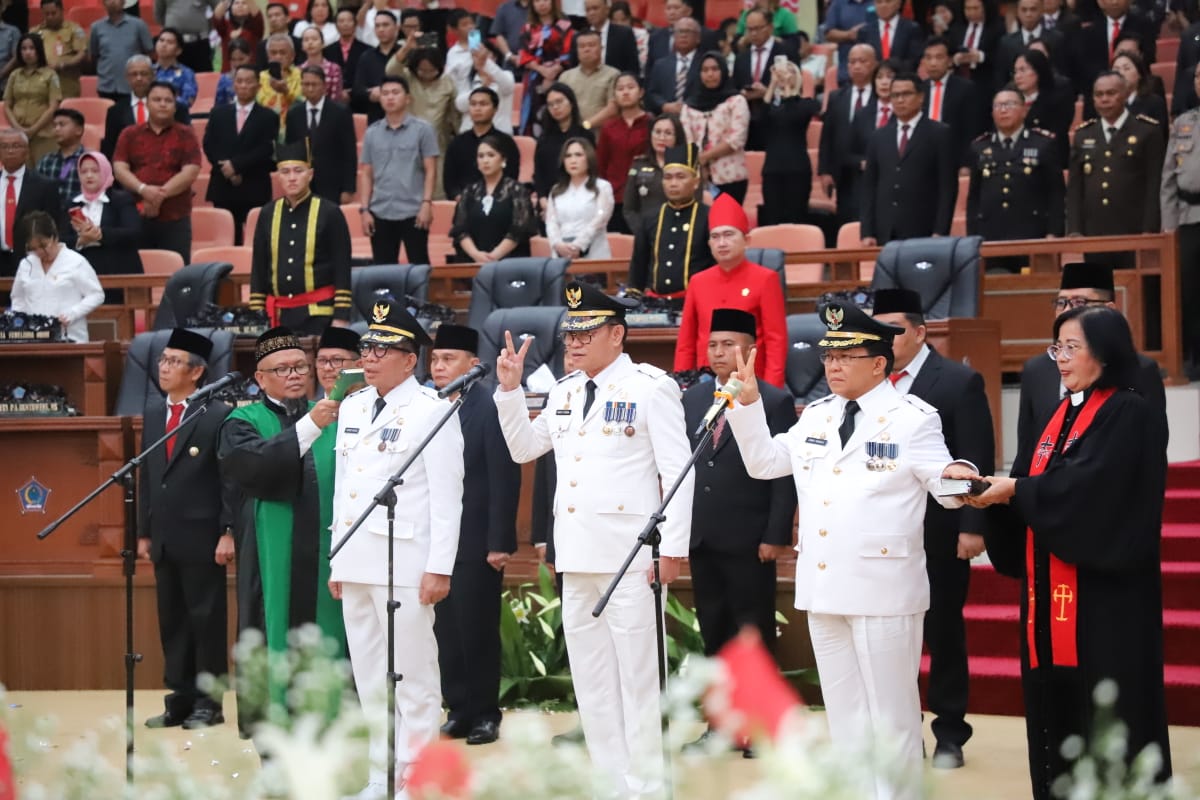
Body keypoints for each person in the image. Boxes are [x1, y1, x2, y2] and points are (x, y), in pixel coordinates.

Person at [724, 301, 979, 799]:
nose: (833, 367)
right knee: (844, 715)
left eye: (847, 357)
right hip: (825, 586)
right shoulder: (818, 414)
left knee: (892, 717)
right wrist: (749, 406)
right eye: (828, 358)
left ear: (880, 363)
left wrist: (961, 479)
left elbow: (942, 482)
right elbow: (765, 462)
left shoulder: (911, 418)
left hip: (884, 589)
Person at [493, 280, 695, 796]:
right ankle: (611, 779)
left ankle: (648, 784)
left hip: (632, 558)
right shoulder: (562, 391)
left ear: (618, 335)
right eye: (570, 335)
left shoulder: (651, 387)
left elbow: (678, 473)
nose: (574, 343)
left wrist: (672, 548)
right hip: (577, 556)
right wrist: (511, 391)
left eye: (587, 333)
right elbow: (524, 450)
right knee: (593, 678)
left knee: (639, 678)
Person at [969, 305, 1172, 800]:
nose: (1059, 358)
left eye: (1071, 347)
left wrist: (1016, 491)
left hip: (1107, 601)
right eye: (1056, 347)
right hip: (1054, 592)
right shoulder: (1066, 409)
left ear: (1105, 351)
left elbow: (1089, 492)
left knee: (1107, 709)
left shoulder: (1128, 410)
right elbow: (1039, 480)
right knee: (1057, 706)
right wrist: (991, 491)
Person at [328, 301, 464, 800]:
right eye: (367, 346)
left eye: (383, 348)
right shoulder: (353, 405)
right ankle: (380, 777)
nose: (370, 355)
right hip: (357, 559)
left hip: (405, 561)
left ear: (411, 360)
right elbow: (345, 488)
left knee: (414, 677)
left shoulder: (432, 411)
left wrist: (439, 567)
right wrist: (336, 556)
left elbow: (449, 495)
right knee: (368, 678)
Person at [870, 288, 995, 770]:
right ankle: (900, 732)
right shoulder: (870, 383)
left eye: (895, 329)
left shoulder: (958, 381)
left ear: (920, 332)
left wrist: (973, 522)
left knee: (942, 632)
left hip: (940, 530)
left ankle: (949, 731)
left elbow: (976, 454)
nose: (886, 339)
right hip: (882, 534)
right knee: (890, 636)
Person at [218, 326, 348, 731]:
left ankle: (334, 723)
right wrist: (309, 425)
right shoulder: (243, 420)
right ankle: (275, 727)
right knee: (272, 627)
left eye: (299, 366)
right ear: (260, 378)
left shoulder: (338, 416)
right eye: (282, 369)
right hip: (272, 555)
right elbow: (254, 468)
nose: (294, 374)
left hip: (330, 554)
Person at [682, 307, 795, 665]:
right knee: (712, 625)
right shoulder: (693, 399)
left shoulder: (775, 400)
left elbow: (782, 471)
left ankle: (757, 717)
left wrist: (775, 534)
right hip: (702, 535)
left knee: (752, 628)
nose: (717, 352)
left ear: (750, 350)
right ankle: (720, 716)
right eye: (712, 344)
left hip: (750, 538)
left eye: (728, 344)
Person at [137, 328, 234, 731]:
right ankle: (179, 697)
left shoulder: (216, 415)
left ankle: (209, 703)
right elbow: (148, 475)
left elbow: (229, 479)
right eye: (163, 360)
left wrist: (228, 530)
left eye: (174, 362)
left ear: (196, 374)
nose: (164, 367)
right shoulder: (154, 414)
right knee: (172, 621)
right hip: (164, 537)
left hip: (203, 537)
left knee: (205, 620)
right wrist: (143, 530)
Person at [429, 324, 521, 747]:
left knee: (476, 629)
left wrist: (500, 540)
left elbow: (505, 474)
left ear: (474, 365)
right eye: (434, 359)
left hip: (476, 539)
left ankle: (485, 712)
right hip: (435, 540)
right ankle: (459, 708)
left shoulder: (487, 406)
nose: (439, 366)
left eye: (449, 359)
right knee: (444, 630)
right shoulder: (430, 406)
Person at [1015, 262, 1166, 455]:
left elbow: (1152, 450)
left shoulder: (1140, 370)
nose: (1067, 311)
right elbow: (1026, 448)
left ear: (1109, 310)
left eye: (1079, 303)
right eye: (1061, 303)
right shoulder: (1036, 371)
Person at [674, 192, 786, 385]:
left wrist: (771, 389)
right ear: (709, 243)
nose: (722, 243)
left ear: (747, 240)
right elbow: (686, 342)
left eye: (729, 234)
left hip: (750, 378)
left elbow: (776, 340)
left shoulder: (766, 279)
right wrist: (681, 383)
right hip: (706, 378)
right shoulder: (698, 281)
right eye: (715, 237)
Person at [250, 140, 352, 334]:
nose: (292, 178)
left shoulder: (329, 212)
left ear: (310, 174)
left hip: (319, 313)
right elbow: (259, 268)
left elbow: (342, 267)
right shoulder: (267, 213)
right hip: (277, 316)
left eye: (298, 171)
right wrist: (257, 315)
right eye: (285, 172)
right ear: (278, 177)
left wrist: (341, 316)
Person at [965, 86, 1064, 260]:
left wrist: (1054, 233)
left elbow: (1056, 193)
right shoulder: (979, 146)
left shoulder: (1043, 144)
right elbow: (974, 197)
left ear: (1024, 110)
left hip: (1032, 233)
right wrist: (972, 236)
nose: (1003, 110)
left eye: (1009, 105)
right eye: (998, 106)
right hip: (990, 234)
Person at [1066, 72, 1164, 243]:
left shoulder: (1146, 131)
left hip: (1134, 229)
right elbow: (1075, 187)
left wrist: (1150, 228)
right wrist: (1075, 229)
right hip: (1094, 231)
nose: (1104, 99)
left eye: (1111, 93)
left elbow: (1154, 185)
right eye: (1099, 94)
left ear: (1125, 94)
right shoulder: (1083, 135)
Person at [861, 72, 957, 246]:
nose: (899, 100)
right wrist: (867, 231)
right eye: (895, 95)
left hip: (924, 229)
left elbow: (947, 188)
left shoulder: (940, 133)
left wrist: (940, 231)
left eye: (906, 94)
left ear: (921, 97)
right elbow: (869, 187)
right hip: (885, 231)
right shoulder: (879, 136)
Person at [112, 81, 201, 263]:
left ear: (175, 107)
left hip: (176, 216)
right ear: (147, 104)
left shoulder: (186, 134)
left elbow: (191, 170)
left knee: (177, 274)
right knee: (138, 272)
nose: (162, 104)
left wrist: (159, 195)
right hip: (135, 216)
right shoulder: (129, 134)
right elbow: (119, 168)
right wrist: (143, 189)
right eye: (157, 99)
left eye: (168, 100)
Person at [360, 75, 439, 266]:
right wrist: (364, 210)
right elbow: (366, 173)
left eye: (395, 93)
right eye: (385, 93)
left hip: (414, 210)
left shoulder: (423, 130)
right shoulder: (372, 132)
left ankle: (419, 298)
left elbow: (431, 170)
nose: (390, 98)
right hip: (380, 210)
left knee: (419, 266)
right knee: (383, 269)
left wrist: (427, 203)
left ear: (408, 98)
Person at [627, 142, 714, 299]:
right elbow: (639, 264)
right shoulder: (650, 217)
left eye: (680, 177)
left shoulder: (708, 216)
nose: (673, 183)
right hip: (656, 302)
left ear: (695, 182)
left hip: (696, 301)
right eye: (668, 177)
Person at [203, 64, 278, 245]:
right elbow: (209, 144)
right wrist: (226, 168)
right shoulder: (218, 113)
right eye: (240, 81)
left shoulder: (268, 116)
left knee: (257, 238)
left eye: (249, 82)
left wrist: (237, 166)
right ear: (234, 84)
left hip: (253, 184)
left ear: (258, 86)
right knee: (226, 237)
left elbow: (266, 149)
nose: (243, 86)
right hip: (223, 184)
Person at [62, 150, 142, 302]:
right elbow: (60, 239)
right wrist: (80, 240)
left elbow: (134, 232)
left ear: (105, 171)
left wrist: (100, 234)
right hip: (80, 272)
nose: (89, 175)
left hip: (117, 269)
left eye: (95, 170)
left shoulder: (121, 199)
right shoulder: (70, 203)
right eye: (84, 171)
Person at [11, 210, 102, 341]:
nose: (40, 252)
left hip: (70, 336)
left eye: (43, 246)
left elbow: (96, 294)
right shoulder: (26, 264)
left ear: (54, 237)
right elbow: (18, 298)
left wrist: (73, 313)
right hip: (33, 339)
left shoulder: (75, 261)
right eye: (33, 248)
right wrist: (20, 322)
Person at [1162, 65, 1200, 369]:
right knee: (1188, 290)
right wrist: (1169, 227)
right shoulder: (1184, 123)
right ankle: (1194, 357)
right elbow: (1168, 180)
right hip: (1188, 217)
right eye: (1199, 77)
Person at [449, 134, 536, 263]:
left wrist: (494, 256)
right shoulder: (469, 192)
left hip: (510, 261)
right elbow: (460, 229)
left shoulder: (517, 191)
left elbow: (519, 230)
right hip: (473, 261)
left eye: (491, 155)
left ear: (503, 160)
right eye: (481, 156)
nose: (485, 160)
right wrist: (476, 255)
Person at [818, 44, 878, 228]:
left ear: (874, 64)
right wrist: (825, 170)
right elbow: (827, 135)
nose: (857, 66)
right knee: (846, 219)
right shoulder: (837, 96)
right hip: (843, 171)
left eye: (862, 61)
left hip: (872, 168)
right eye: (852, 62)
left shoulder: (881, 96)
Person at [388, 49, 459, 202]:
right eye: (422, 70)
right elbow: (391, 69)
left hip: (438, 143)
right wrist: (408, 45)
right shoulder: (408, 78)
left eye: (431, 70)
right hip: (407, 142)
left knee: (437, 191)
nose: (426, 74)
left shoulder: (448, 83)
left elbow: (455, 115)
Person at [681, 52, 750, 203]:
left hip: (731, 177)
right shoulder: (688, 106)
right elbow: (687, 140)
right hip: (697, 177)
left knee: (728, 224)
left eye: (715, 69)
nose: (710, 74)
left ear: (724, 71)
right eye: (705, 70)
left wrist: (704, 158)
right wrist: (699, 165)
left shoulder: (736, 101)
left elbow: (736, 140)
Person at [284, 66, 357, 204]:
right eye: (306, 84)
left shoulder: (340, 112)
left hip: (332, 185)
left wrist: (348, 189)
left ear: (324, 86)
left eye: (314, 84)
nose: (310, 88)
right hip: (302, 185)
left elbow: (349, 153)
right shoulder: (294, 114)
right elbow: (290, 152)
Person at [760, 59, 819, 225]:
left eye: (790, 72)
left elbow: (792, 115)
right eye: (781, 71)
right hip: (772, 169)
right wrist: (772, 85)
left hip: (797, 169)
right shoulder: (771, 108)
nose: (785, 75)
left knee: (797, 217)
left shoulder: (807, 104)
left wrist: (787, 88)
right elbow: (760, 120)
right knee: (772, 218)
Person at [731, 8, 798, 153]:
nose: (753, 34)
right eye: (749, 30)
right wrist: (742, 94)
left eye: (758, 29)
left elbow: (796, 89)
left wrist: (768, 93)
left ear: (770, 27)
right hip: (748, 123)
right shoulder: (741, 57)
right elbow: (733, 89)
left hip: (778, 122)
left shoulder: (786, 52)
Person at [0, 129, 65, 278]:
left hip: (32, 259)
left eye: (16, 146)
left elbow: (54, 226)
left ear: (27, 151)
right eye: (4, 146)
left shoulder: (45, 186)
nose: (10, 151)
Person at [101, 55, 190, 160]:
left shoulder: (176, 108)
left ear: (153, 76)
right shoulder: (115, 112)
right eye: (134, 74)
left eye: (144, 74)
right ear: (127, 78)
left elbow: (186, 146)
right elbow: (110, 150)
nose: (139, 78)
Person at [443, 87, 520, 202]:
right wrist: (458, 197)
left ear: (495, 109)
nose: (477, 108)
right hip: (463, 203)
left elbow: (512, 174)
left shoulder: (505, 142)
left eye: (483, 104)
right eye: (473, 104)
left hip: (497, 203)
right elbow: (449, 179)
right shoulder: (457, 142)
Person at [596, 72, 648, 234]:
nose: (625, 92)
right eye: (620, 89)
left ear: (641, 92)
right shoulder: (608, 128)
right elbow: (601, 165)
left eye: (631, 87)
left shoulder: (652, 123)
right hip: (615, 198)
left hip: (646, 197)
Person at [545, 137, 614, 260]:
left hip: (594, 254)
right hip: (561, 255)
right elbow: (551, 222)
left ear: (589, 158)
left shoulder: (602, 187)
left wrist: (578, 245)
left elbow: (600, 219)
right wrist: (557, 244)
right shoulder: (556, 190)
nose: (573, 160)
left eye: (578, 155)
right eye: (568, 156)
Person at [515, 0, 576, 135]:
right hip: (534, 76)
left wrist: (553, 72)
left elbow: (568, 54)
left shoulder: (565, 26)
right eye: (537, 1)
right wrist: (542, 70)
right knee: (533, 113)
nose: (541, 4)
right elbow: (524, 55)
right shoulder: (527, 28)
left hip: (560, 76)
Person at [1073, 0, 1156, 97]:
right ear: (1100, 2)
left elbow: (1149, 58)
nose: (1114, 2)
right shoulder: (1089, 32)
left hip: (1136, 91)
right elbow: (1086, 67)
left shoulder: (1144, 25)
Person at [920, 36, 982, 166]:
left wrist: (966, 164)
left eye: (939, 57)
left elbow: (971, 130)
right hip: (922, 157)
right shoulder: (918, 89)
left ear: (949, 61)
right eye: (928, 58)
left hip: (954, 158)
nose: (933, 63)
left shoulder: (966, 88)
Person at [621, 113, 687, 232]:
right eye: (657, 132)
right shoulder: (639, 164)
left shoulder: (688, 167)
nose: (661, 137)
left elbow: (695, 205)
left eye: (668, 133)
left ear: (677, 137)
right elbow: (629, 209)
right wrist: (642, 233)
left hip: (680, 233)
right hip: (647, 234)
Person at [531, 83, 593, 209]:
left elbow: (592, 169)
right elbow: (539, 172)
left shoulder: (585, 136)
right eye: (550, 104)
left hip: (580, 200)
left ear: (571, 102)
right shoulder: (544, 138)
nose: (555, 107)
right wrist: (542, 198)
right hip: (549, 201)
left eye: (559, 102)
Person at [5, 34, 62, 166]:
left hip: (43, 134)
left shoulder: (50, 75)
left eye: (31, 48)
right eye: (23, 49)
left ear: (39, 50)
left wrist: (33, 129)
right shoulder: (14, 75)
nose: (27, 52)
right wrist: (17, 128)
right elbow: (7, 105)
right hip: (18, 135)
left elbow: (53, 106)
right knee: (21, 173)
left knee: (43, 172)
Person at [1012, 49, 1072, 164]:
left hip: (1049, 160)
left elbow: (1057, 136)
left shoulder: (1057, 98)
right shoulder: (1012, 99)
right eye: (1015, 72)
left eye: (1023, 70)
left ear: (1038, 70)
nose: (1018, 76)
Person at [89, 0, 153, 102]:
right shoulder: (96, 27)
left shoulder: (138, 25)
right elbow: (94, 55)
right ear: (103, 3)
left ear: (123, 2)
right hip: (106, 85)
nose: (112, 2)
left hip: (132, 85)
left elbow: (150, 53)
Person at [995, 0, 1067, 84]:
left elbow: (1063, 71)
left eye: (1033, 9)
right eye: (1024, 10)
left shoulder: (1056, 38)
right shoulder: (1006, 42)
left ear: (1041, 11)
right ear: (1017, 12)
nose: (1028, 14)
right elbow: (1001, 76)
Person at [452, 44, 517, 136]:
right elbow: (460, 105)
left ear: (495, 57)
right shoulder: (467, 79)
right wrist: (482, 87)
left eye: (485, 54)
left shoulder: (506, 75)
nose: (479, 57)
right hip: (470, 135)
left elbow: (507, 86)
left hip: (499, 136)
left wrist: (486, 64)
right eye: (475, 55)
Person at [559, 30, 619, 129]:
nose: (586, 49)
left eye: (591, 45)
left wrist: (585, 126)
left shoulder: (613, 74)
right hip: (570, 134)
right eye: (582, 46)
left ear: (601, 48)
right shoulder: (565, 77)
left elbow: (613, 109)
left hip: (601, 135)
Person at [645, 16, 702, 116]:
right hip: (664, 117)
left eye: (688, 31)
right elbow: (652, 93)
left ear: (698, 38)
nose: (683, 35)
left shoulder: (705, 63)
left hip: (696, 117)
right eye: (680, 31)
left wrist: (685, 108)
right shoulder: (660, 65)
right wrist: (664, 105)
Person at [33, 0, 88, 100]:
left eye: (53, 13)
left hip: (66, 84)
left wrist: (62, 65)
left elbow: (82, 54)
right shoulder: (35, 32)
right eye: (46, 14)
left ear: (62, 11)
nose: (50, 17)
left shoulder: (74, 29)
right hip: (42, 85)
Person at [948, 0, 1003, 99]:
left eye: (975, 8)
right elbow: (948, 51)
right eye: (968, 9)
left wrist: (980, 57)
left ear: (984, 8)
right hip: (959, 79)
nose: (971, 13)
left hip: (984, 82)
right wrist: (956, 59)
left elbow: (1000, 56)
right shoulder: (956, 28)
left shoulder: (996, 28)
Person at [34, 108, 86, 207]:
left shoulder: (90, 160)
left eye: (62, 125)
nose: (57, 129)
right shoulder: (46, 161)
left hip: (79, 216)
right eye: (54, 126)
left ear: (79, 130)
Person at [855, 0, 923, 72]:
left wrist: (890, 73)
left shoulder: (911, 29)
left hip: (902, 78)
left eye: (888, 1)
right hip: (873, 78)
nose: (883, 5)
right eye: (879, 2)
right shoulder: (865, 32)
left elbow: (913, 61)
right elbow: (862, 60)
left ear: (898, 4)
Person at [1111, 50, 1167, 138]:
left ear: (1139, 74)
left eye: (1126, 68)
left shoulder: (1154, 102)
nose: (1121, 73)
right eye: (1116, 69)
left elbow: (1160, 137)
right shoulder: (1106, 103)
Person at [578, 0, 640, 75]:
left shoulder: (624, 34)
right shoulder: (579, 37)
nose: (591, 13)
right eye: (588, 10)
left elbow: (632, 68)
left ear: (607, 9)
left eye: (595, 8)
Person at [153, 0, 214, 75]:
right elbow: (159, 15)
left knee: (204, 78)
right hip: (174, 44)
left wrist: (206, 26)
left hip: (199, 43)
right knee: (173, 77)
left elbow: (219, 9)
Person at [324, 7, 368, 97]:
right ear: (336, 26)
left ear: (355, 24)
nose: (345, 24)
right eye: (341, 21)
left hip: (359, 97)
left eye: (349, 20)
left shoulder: (366, 50)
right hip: (334, 97)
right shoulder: (327, 51)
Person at [257, 33, 302, 118]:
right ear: (268, 56)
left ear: (292, 56)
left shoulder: (303, 76)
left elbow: (306, 106)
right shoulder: (258, 78)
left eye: (283, 52)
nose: (278, 57)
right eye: (273, 53)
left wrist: (286, 92)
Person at [152, 28, 198, 108]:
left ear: (178, 51)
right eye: (161, 40)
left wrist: (165, 101)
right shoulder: (147, 71)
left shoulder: (186, 73)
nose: (164, 45)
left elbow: (188, 100)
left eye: (170, 42)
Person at [213, 0, 263, 71]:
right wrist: (225, 1)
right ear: (231, 8)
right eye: (236, 3)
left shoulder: (255, 27)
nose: (240, 5)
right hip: (228, 73)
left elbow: (257, 14)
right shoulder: (226, 26)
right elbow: (217, 17)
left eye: (244, 3)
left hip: (250, 73)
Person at [298, 26, 343, 104]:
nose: (310, 43)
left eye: (314, 39)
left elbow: (335, 98)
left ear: (323, 44)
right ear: (302, 46)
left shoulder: (334, 69)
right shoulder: (298, 70)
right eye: (306, 40)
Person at [313, 324, 360, 396]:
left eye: (336, 360)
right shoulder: (312, 407)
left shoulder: (372, 405)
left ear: (359, 365)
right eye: (321, 360)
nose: (327, 368)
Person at [254, 3, 302, 71]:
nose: (273, 19)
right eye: (270, 16)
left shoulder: (298, 43)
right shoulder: (262, 46)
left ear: (288, 18)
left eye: (277, 15)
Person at [214, 37, 252, 107]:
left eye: (241, 59)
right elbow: (218, 107)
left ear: (249, 56)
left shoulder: (259, 78)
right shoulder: (224, 80)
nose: (237, 64)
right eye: (233, 59)